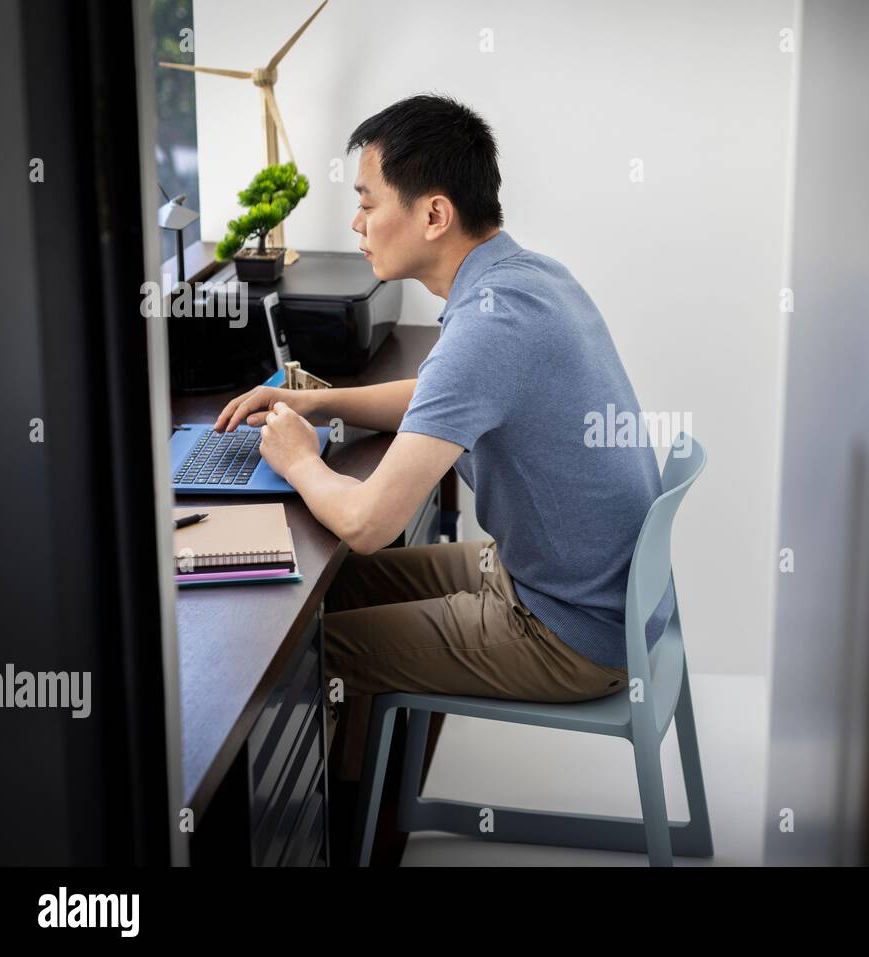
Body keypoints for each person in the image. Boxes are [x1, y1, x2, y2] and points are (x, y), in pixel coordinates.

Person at [212, 93, 674, 866]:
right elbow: (439, 398)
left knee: (310, 650)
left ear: (433, 215)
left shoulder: (488, 324)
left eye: (366, 203)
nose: (355, 224)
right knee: (342, 586)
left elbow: (367, 520)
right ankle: (369, 808)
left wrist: (295, 457)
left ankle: (350, 832)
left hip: (568, 631)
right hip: (589, 592)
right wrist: (310, 399)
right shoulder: (525, 278)